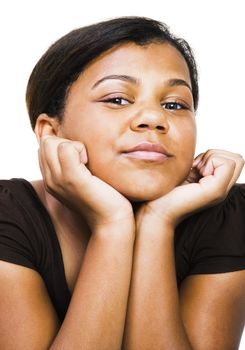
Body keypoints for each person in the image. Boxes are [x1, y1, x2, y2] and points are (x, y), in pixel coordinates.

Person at [0, 16, 244, 350]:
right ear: (51, 131)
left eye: (174, 104)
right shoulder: (7, 216)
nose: (155, 119)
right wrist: (112, 225)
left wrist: (158, 222)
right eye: (117, 99)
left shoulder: (225, 214)